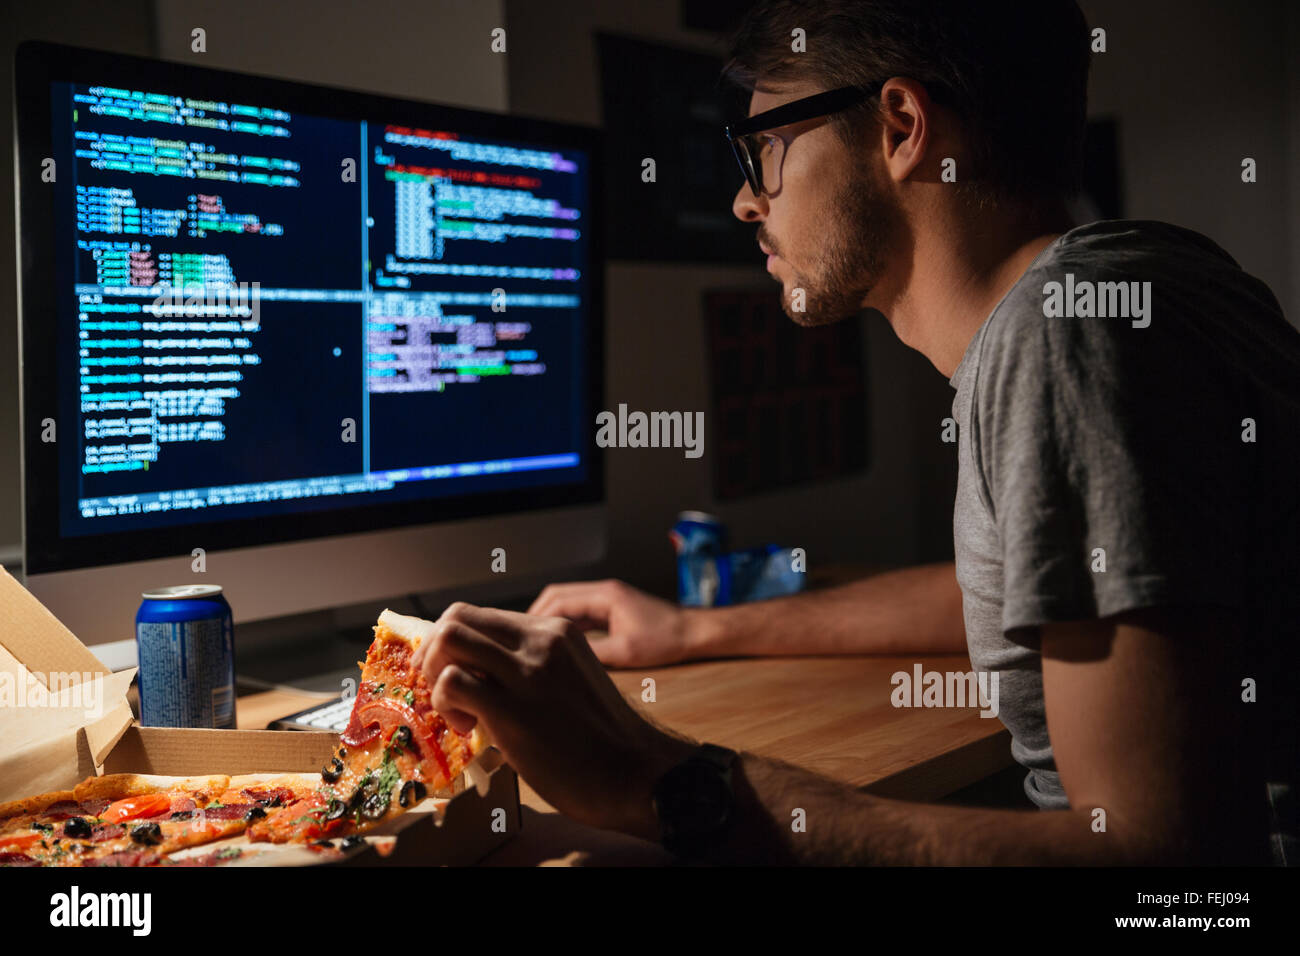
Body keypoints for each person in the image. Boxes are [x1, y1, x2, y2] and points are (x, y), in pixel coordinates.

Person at [412, 0, 1300, 864]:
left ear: (902, 125)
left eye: (765, 150)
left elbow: (1172, 866)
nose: (744, 202)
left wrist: (654, 778)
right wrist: (692, 632)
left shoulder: (1061, 341)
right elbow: (1032, 589)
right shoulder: (1154, 280)